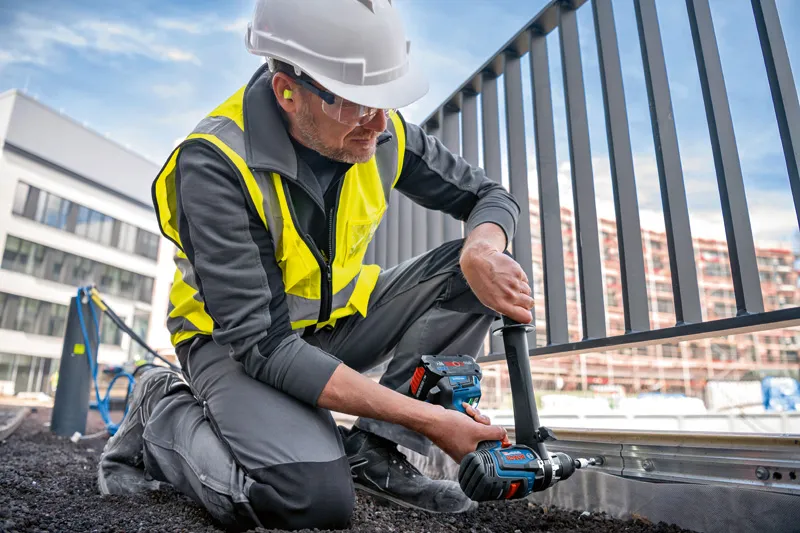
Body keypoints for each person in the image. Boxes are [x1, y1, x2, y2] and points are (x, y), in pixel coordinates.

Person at [97, 0, 534, 529]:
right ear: (287, 92)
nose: (379, 124)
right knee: (308, 502)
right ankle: (160, 406)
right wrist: (431, 418)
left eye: (386, 101)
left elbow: (489, 196)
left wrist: (482, 248)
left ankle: (374, 455)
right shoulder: (215, 163)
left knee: (468, 272)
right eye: (356, 104)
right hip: (234, 346)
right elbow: (264, 346)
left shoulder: (382, 129)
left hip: (329, 325)